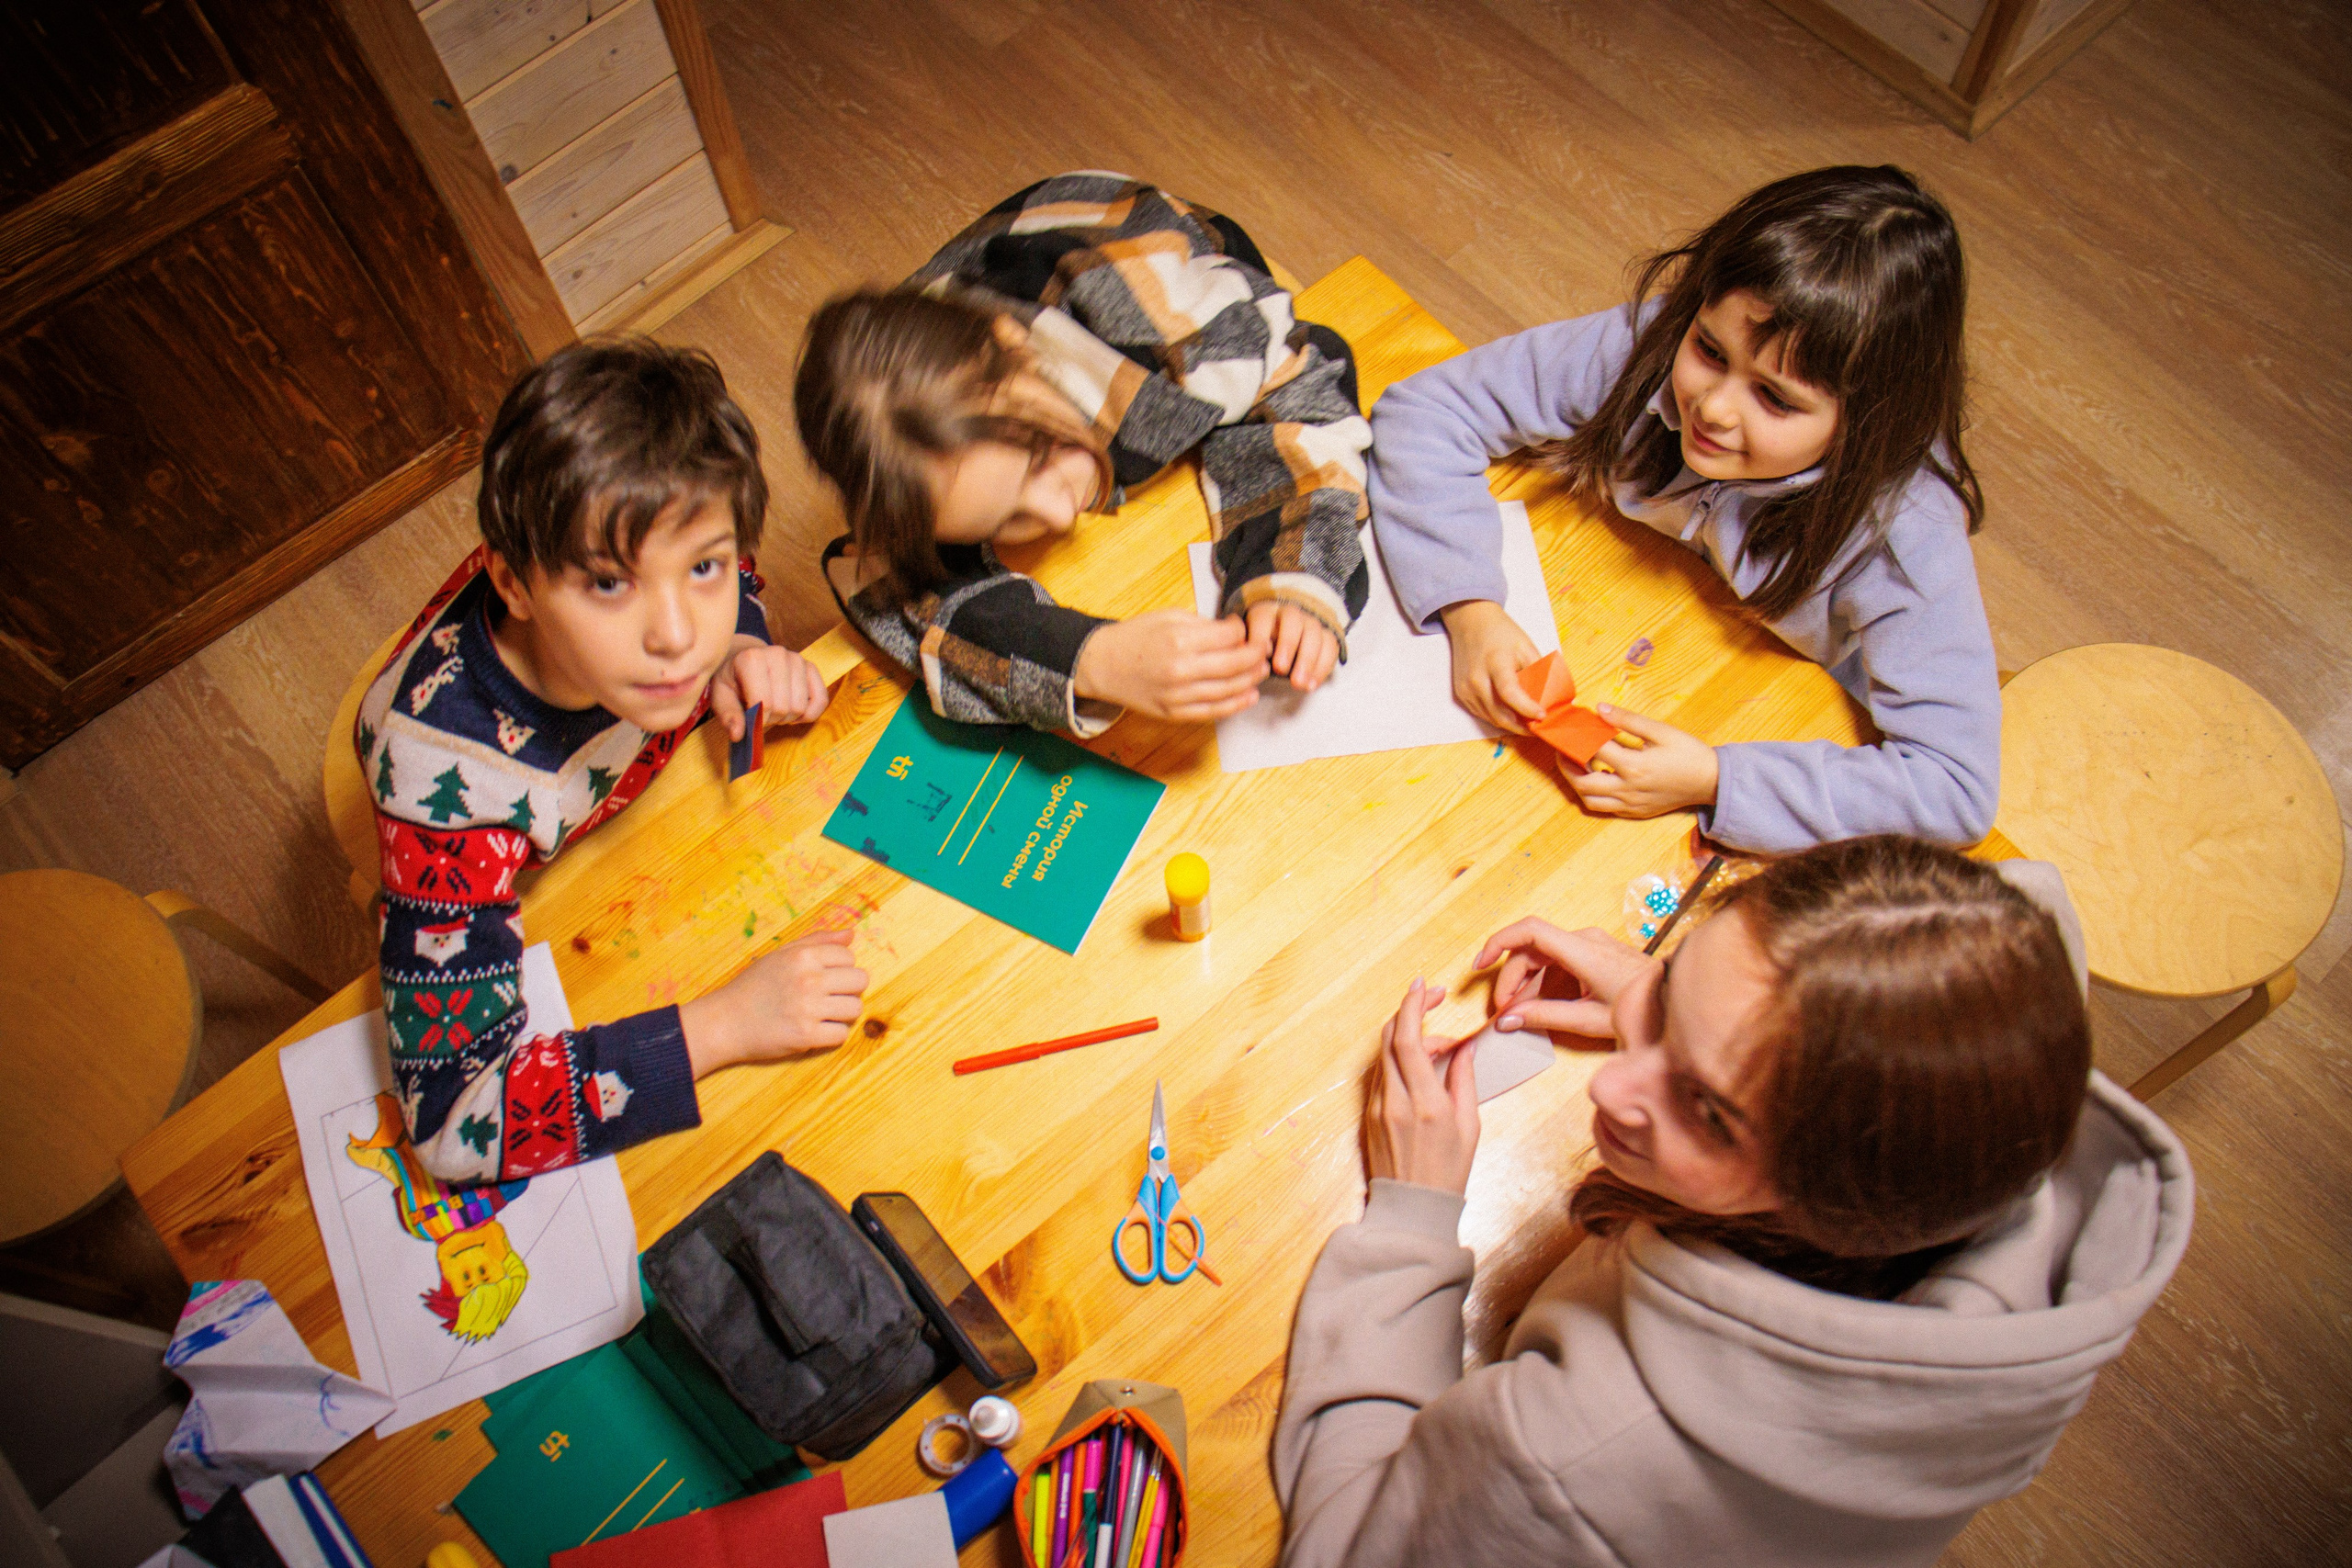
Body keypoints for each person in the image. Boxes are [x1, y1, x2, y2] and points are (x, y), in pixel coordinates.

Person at [1272, 837, 2194, 1567]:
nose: (1609, 1091)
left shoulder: (1578, 1457)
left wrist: (1411, 1215)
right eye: (1670, 992)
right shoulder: (1998, 1050)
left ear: (1835, 1204)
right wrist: (1687, 1012)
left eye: (1707, 1113)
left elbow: (1344, 1544)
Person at [356, 337, 867, 1184]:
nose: (676, 636)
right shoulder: (443, 793)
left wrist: (742, 648)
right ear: (513, 584)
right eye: (608, 584)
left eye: (698, 567)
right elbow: (452, 1126)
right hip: (499, 859)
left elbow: (736, 578)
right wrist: (724, 1028)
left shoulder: (664, 542)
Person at [1370, 166, 1998, 851]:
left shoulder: (1905, 538)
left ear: (1866, 425)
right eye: (1709, 350)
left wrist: (1719, 781)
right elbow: (1426, 409)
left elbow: (1954, 790)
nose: (1714, 406)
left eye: (1776, 399)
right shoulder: (1653, 341)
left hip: (1786, 715)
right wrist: (1469, 609)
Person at [796, 171, 1374, 737]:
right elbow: (882, 588)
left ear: (1015, 349)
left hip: (1133, 245)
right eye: (1006, 519)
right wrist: (1094, 659)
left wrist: (1291, 572)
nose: (1059, 515)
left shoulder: (1164, 326)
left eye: (1040, 461)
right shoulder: (906, 449)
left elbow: (1302, 382)